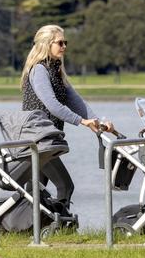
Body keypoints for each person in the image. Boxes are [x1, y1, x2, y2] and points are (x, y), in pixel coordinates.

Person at [20, 24, 115, 208]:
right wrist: (81, 121)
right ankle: (61, 225)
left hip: (46, 140)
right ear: (46, 44)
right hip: (37, 140)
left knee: (34, 192)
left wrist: (98, 122)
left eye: (65, 42)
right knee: (65, 186)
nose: (64, 46)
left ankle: (29, 228)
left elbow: (76, 102)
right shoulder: (39, 70)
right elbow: (52, 105)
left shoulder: (56, 70)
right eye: (60, 43)